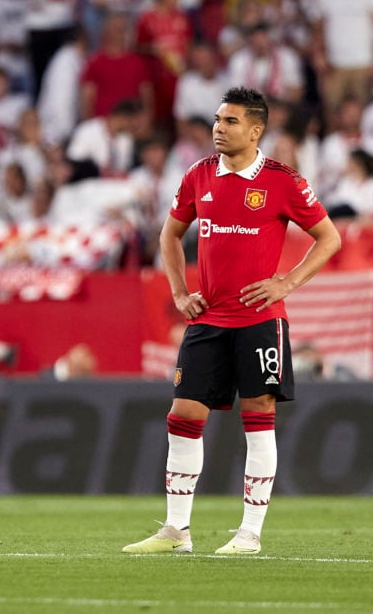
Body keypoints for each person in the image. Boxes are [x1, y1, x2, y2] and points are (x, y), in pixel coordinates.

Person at [123, 87, 341, 555]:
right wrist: (180, 291)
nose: (219, 128)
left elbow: (329, 238)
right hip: (209, 319)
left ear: (256, 130)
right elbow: (170, 234)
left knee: (258, 417)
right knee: (183, 414)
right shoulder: (198, 175)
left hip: (260, 320)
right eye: (218, 120)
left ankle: (249, 534)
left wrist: (286, 282)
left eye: (231, 122)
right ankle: (176, 531)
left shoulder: (283, 180)